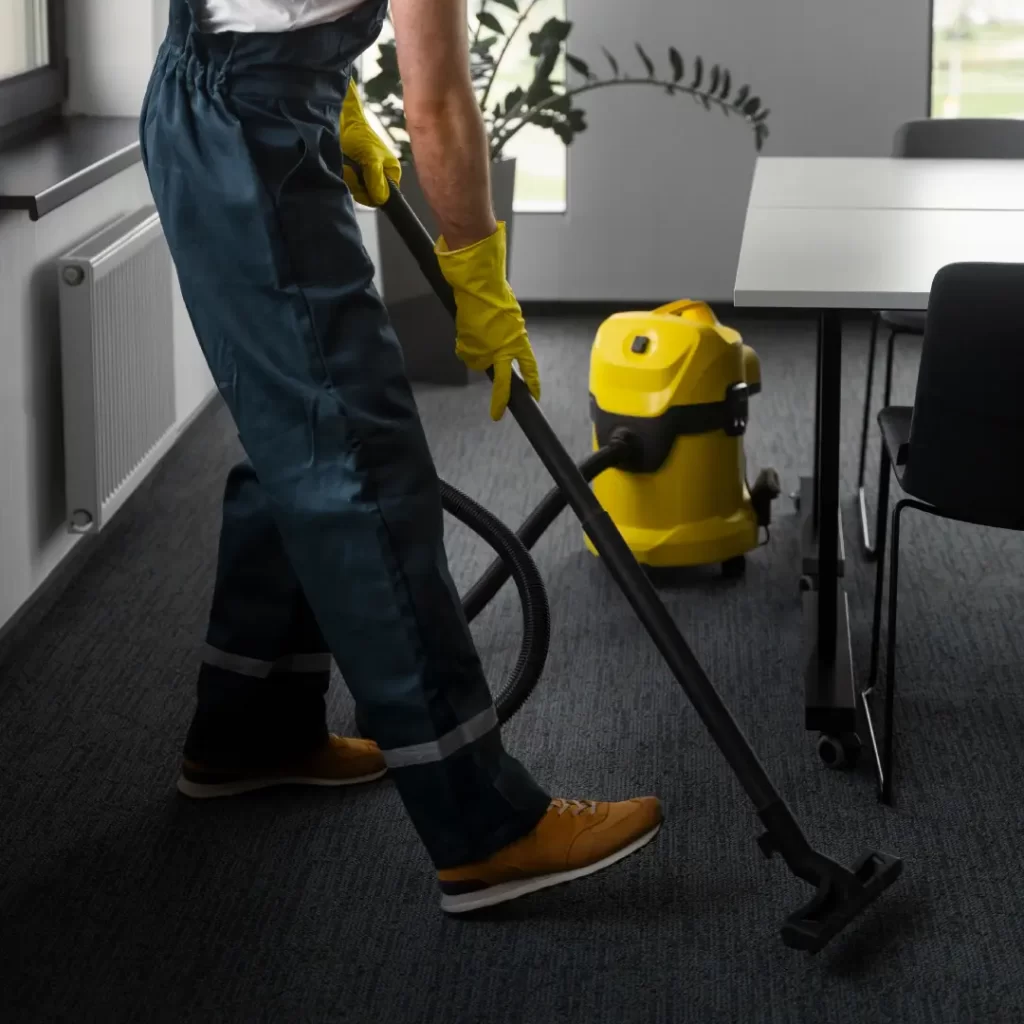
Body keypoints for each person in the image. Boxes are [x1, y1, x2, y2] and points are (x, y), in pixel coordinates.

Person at [140, 0, 662, 913]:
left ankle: (251, 730)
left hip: (220, 105)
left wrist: (322, 92)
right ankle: (485, 826)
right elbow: (440, 105)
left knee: (294, 438)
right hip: (248, 131)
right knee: (358, 463)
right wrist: (481, 275)